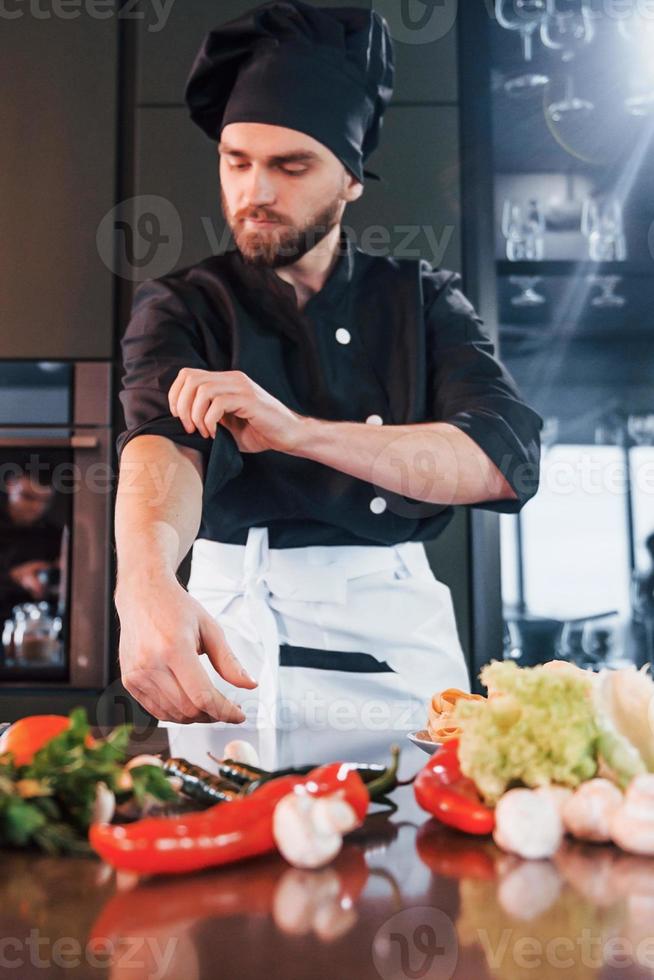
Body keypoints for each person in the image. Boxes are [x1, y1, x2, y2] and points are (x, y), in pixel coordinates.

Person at [114, 1, 542, 758]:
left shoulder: (423, 299)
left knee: (417, 862)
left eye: (291, 165)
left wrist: (299, 433)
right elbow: (161, 445)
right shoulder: (182, 305)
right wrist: (144, 580)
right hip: (230, 636)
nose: (256, 192)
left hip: (392, 637)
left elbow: (500, 461)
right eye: (236, 160)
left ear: (350, 180)